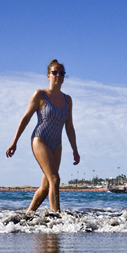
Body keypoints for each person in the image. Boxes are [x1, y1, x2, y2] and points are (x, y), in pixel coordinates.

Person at [6, 60, 81, 212]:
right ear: (48, 76)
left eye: (61, 73)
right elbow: (26, 118)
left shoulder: (68, 100)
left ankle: (28, 215)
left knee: (46, 186)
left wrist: (75, 150)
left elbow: (69, 126)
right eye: (55, 72)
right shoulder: (40, 94)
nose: (58, 75)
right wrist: (14, 142)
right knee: (55, 179)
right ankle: (57, 217)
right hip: (40, 140)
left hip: (57, 144)